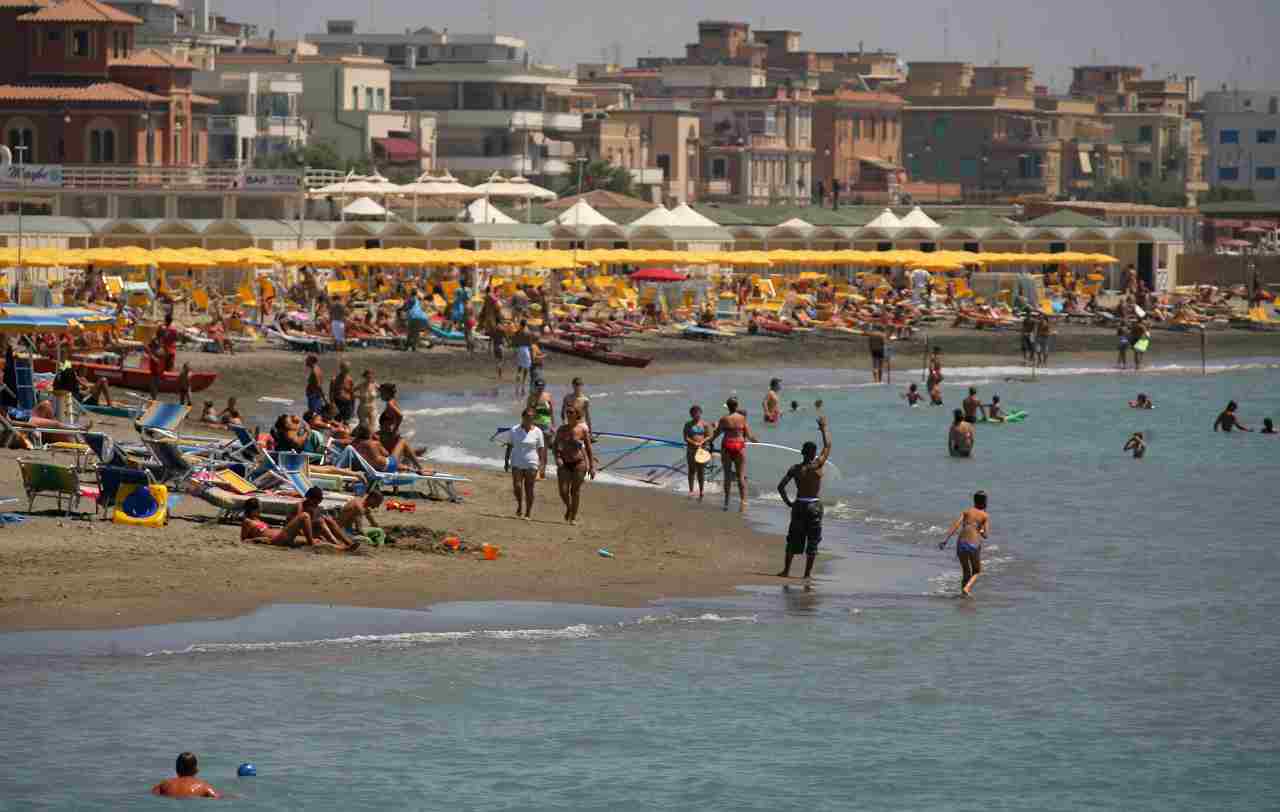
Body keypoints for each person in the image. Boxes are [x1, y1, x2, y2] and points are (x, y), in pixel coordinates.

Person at [775, 415, 832, 580]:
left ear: (802, 452)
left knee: (793, 540)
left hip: (799, 506)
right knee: (812, 541)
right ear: (814, 453)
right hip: (814, 505)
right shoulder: (817, 465)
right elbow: (828, 445)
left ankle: (786, 571)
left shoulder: (795, 469)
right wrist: (824, 428)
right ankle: (806, 575)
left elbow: (780, 487)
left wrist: (789, 503)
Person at [939, 491, 989, 596]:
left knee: (966, 572)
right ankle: (967, 588)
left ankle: (963, 596)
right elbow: (985, 535)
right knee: (977, 571)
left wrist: (945, 540)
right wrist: (980, 531)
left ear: (974, 500)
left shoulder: (966, 512)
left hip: (961, 544)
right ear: (985, 502)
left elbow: (955, 526)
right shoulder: (985, 515)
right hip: (973, 544)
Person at [710, 397, 755, 512]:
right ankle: (743, 502)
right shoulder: (742, 418)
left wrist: (708, 442)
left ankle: (726, 502)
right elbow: (749, 435)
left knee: (727, 476)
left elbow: (717, 433)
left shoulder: (724, 419)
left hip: (727, 446)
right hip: (739, 447)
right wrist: (756, 441)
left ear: (728, 406)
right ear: (737, 406)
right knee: (740, 476)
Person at [553, 404, 594, 525]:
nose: (568, 414)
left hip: (579, 463)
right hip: (564, 463)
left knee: (575, 491)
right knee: (563, 491)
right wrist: (557, 458)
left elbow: (589, 449)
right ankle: (570, 508)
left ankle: (573, 517)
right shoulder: (561, 429)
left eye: (571, 412)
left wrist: (591, 466)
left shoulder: (582, 430)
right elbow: (555, 446)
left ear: (577, 415)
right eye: (567, 412)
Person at [505, 407, 547, 519]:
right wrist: (506, 461)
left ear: (534, 418)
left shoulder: (538, 431)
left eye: (531, 417)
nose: (529, 419)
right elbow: (509, 445)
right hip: (516, 461)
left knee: (529, 488)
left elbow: (541, 448)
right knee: (517, 486)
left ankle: (528, 512)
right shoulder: (514, 429)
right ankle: (519, 504)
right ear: (522, 417)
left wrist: (542, 465)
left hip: (532, 462)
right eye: (527, 416)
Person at [241, 496, 318, 547]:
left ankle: (311, 541)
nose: (261, 509)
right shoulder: (247, 521)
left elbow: (265, 531)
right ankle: (311, 543)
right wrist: (258, 540)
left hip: (280, 535)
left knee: (315, 539)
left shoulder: (257, 519)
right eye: (259, 507)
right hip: (276, 540)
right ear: (253, 509)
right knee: (304, 516)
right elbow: (244, 540)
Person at [151, 752, 220, 799]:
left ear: (176, 769)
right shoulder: (204, 786)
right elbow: (217, 797)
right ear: (195, 770)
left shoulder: (164, 784)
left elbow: (153, 793)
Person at [683, 404, 712, 501]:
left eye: (698, 413)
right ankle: (691, 490)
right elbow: (685, 437)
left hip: (702, 450)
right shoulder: (688, 424)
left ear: (701, 413)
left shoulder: (705, 424)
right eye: (694, 413)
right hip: (691, 449)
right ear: (691, 414)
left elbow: (709, 435)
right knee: (691, 470)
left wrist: (702, 442)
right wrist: (693, 442)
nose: (696, 415)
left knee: (701, 471)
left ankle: (701, 490)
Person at [512, 320, 534, 393]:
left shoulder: (518, 332)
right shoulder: (528, 332)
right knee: (526, 366)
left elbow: (514, 341)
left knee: (520, 364)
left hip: (519, 348)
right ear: (526, 325)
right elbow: (530, 344)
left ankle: (518, 375)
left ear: (521, 325)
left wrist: (514, 350)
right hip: (525, 349)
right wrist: (531, 354)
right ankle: (523, 382)